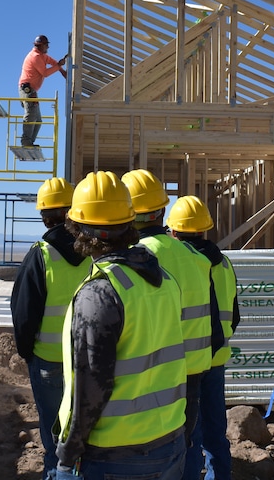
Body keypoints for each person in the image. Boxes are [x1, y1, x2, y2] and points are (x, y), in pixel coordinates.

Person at [55, 171, 187, 480]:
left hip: (115, 454)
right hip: (169, 439)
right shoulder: (163, 280)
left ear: (78, 228)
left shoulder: (100, 293)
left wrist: (69, 450)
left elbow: (91, 387)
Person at [122, 169, 213, 455]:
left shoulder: (131, 259)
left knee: (147, 452)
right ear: (163, 211)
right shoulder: (194, 257)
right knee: (183, 447)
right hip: (191, 369)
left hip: (149, 373)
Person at [11, 177, 92, 480]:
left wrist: (27, 352)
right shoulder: (93, 252)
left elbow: (23, 313)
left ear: (45, 216)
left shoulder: (41, 254)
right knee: (86, 435)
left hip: (48, 361)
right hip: (87, 360)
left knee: (55, 438)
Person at [167, 195, 240, 480]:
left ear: (173, 231)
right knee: (215, 432)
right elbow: (234, 315)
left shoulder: (176, 264)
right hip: (216, 359)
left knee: (189, 435)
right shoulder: (224, 265)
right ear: (204, 230)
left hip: (185, 363)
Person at [19, 34, 66, 147]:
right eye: (46, 45)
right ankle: (26, 142)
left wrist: (62, 71)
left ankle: (29, 142)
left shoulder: (42, 55)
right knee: (31, 115)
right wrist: (59, 66)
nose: (48, 48)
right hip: (27, 90)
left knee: (38, 120)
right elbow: (45, 73)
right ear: (40, 46)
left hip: (31, 90)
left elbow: (53, 62)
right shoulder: (35, 57)